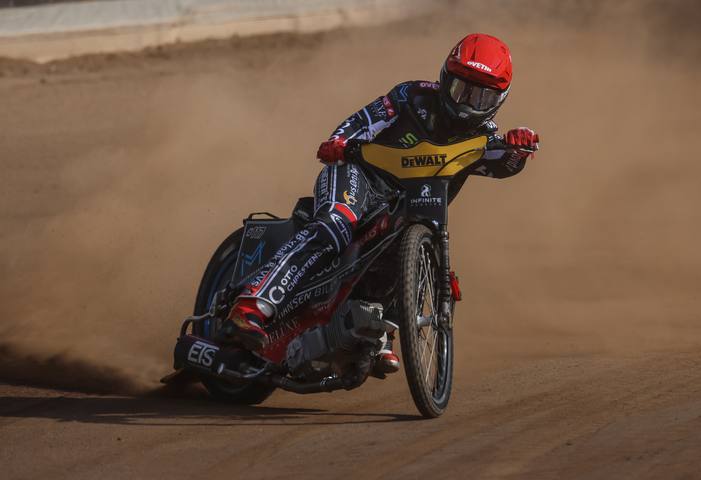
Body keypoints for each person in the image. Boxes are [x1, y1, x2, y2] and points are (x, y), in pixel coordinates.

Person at [217, 33, 540, 374]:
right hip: (359, 176)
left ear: (498, 100)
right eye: (462, 90)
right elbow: (363, 121)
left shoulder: (485, 137)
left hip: (406, 211)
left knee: (411, 247)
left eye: (481, 97)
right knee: (335, 225)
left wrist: (518, 148)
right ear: (446, 79)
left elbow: (504, 164)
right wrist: (340, 142)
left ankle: (382, 331)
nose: (466, 104)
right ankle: (250, 307)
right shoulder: (411, 96)